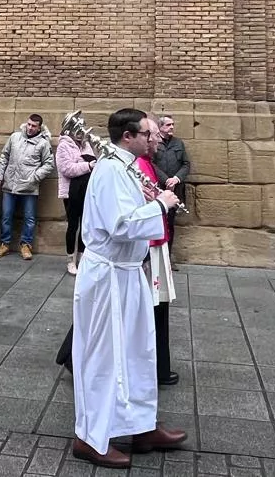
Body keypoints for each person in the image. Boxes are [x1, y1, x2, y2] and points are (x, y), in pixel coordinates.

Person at [72, 108, 185, 468]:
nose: (157, 139)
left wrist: (153, 198)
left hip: (128, 272)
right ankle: (90, 437)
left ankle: (141, 425)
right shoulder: (109, 171)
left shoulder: (129, 167)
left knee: (139, 351)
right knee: (103, 356)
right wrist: (160, 205)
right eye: (149, 134)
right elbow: (120, 225)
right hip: (106, 276)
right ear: (128, 136)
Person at [135, 147, 178, 386]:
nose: (157, 142)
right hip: (148, 247)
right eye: (151, 135)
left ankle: (160, 365)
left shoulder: (148, 162)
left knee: (156, 306)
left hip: (156, 241)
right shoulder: (137, 164)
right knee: (149, 307)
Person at [0, 115, 55, 260]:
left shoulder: (43, 143)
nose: (30, 128)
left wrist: (35, 177)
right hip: (10, 184)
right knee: (6, 216)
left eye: (34, 126)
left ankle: (26, 245)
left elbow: (49, 164)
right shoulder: (15, 137)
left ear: (39, 127)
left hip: (29, 187)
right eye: (29, 124)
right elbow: (4, 156)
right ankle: (5, 244)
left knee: (29, 218)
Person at [57, 123, 96, 275]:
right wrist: (87, 165)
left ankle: (81, 256)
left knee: (85, 226)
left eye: (82, 131)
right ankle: (70, 259)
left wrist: (87, 163)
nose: (80, 134)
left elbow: (93, 161)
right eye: (77, 131)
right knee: (73, 226)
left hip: (86, 190)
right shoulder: (63, 145)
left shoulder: (86, 145)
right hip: (70, 191)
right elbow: (66, 168)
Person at [151, 114, 190, 261]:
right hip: (158, 189)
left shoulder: (178, 143)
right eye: (168, 125)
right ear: (160, 127)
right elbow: (151, 164)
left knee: (170, 224)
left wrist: (176, 178)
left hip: (174, 190)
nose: (172, 127)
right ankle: (155, 258)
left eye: (173, 124)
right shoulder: (154, 143)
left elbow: (186, 164)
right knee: (156, 222)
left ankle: (167, 258)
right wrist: (165, 179)